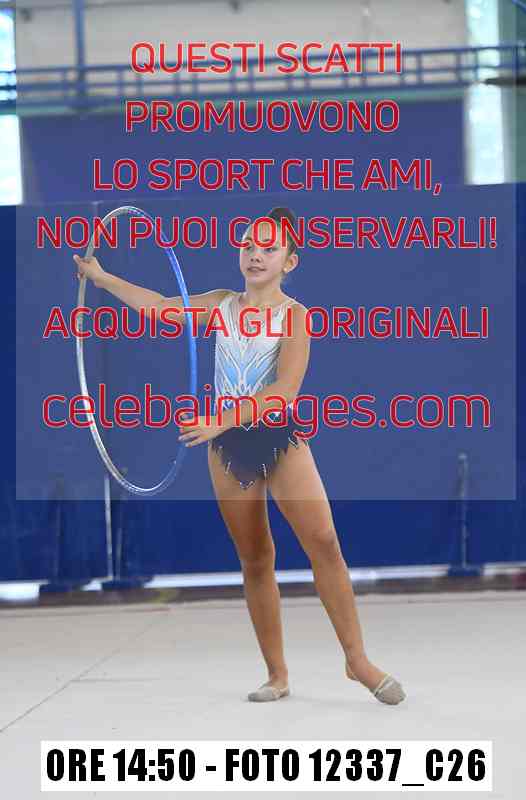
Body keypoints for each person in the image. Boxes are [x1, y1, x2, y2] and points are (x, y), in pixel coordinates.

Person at [73, 206, 406, 705]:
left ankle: (356, 660)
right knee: (255, 557)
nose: (255, 254)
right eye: (249, 244)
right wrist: (102, 278)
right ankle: (277, 674)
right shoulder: (221, 305)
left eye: (268, 248)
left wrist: (222, 418)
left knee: (324, 542)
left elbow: (286, 390)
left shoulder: (294, 316)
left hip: (277, 438)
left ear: (289, 262)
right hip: (228, 448)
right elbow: (159, 307)